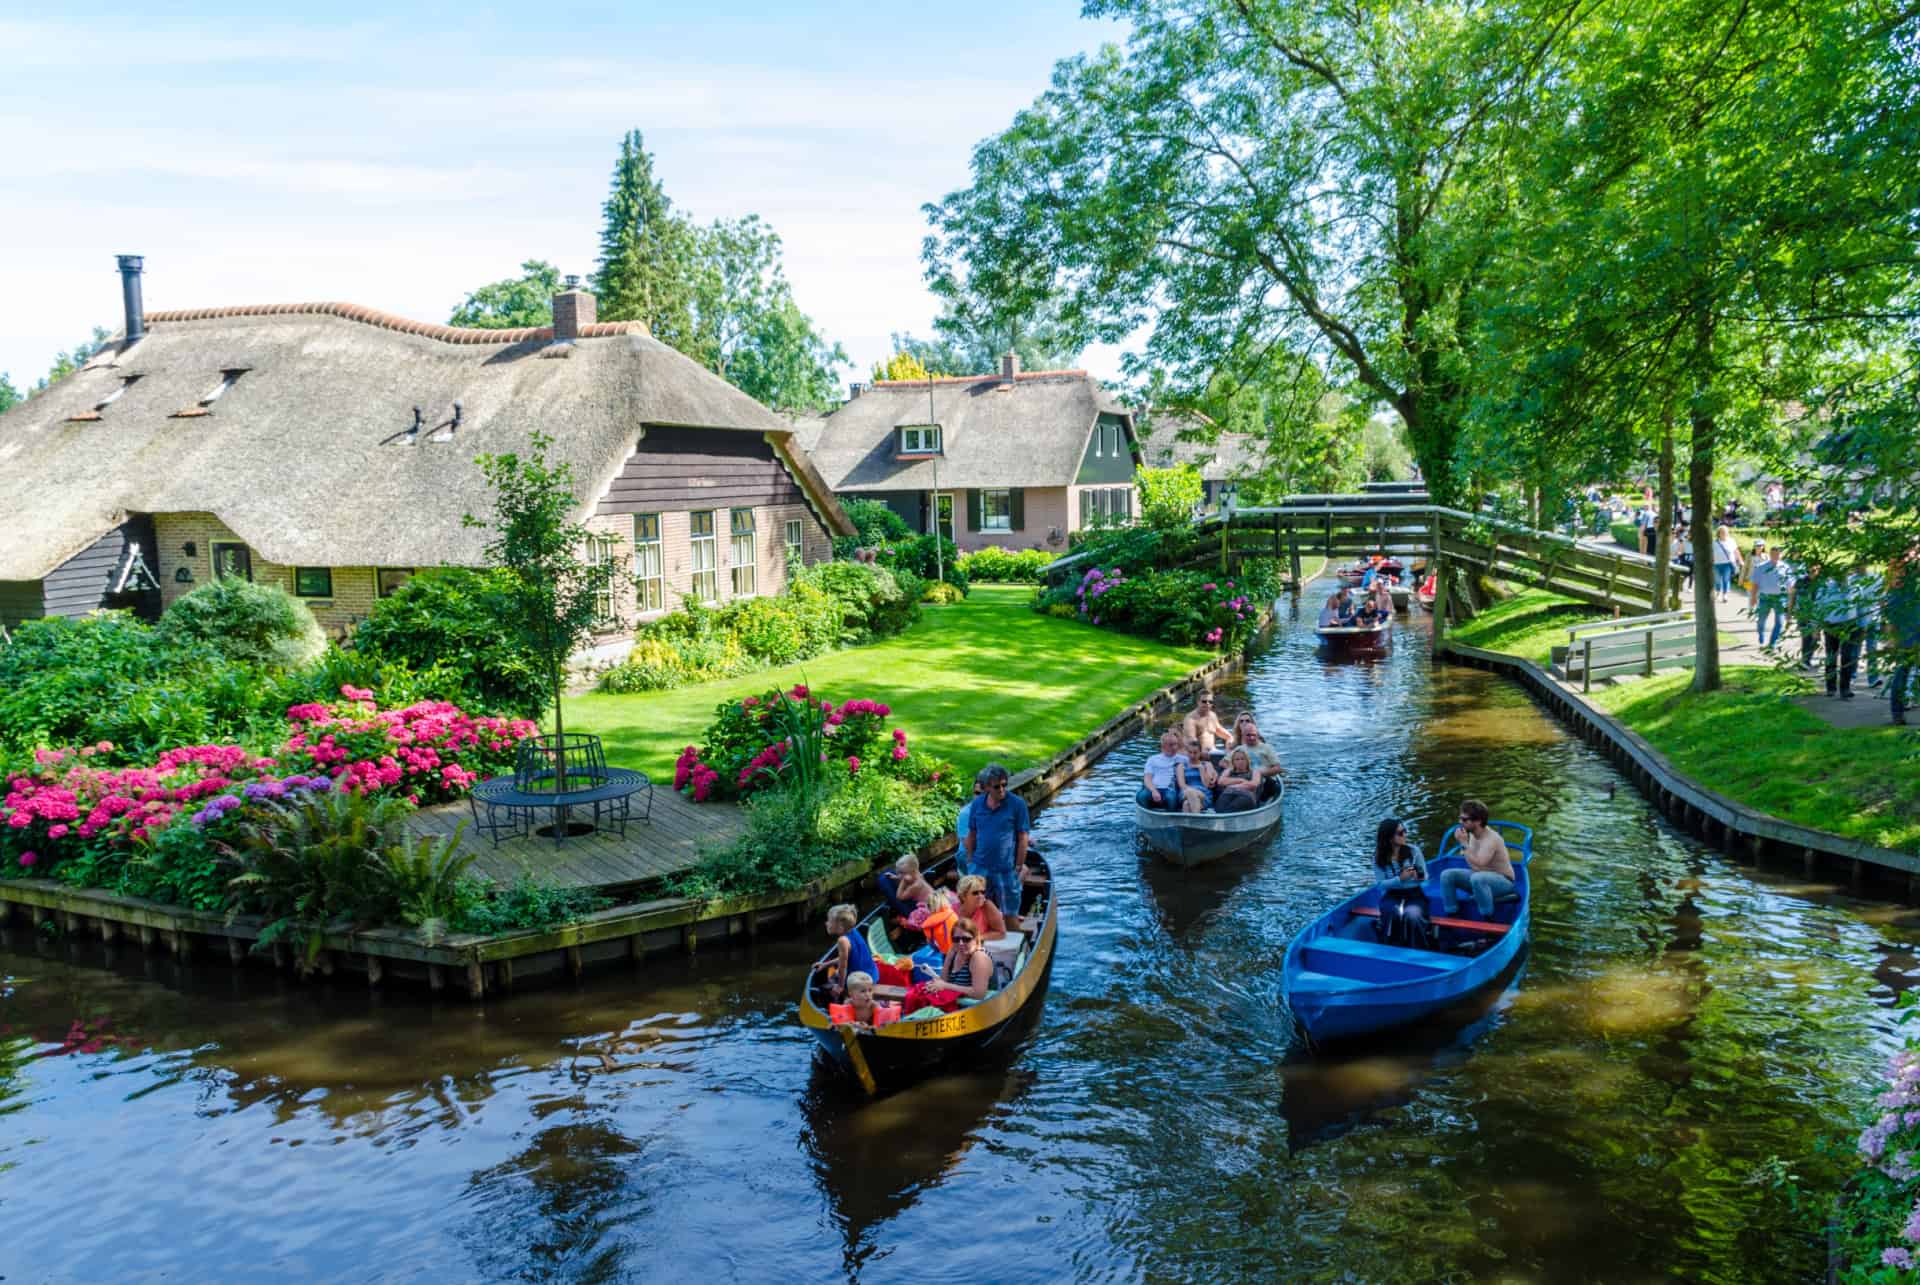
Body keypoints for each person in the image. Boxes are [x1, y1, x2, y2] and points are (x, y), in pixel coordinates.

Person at [962, 762, 1030, 917]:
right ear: (986, 787)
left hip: (1005, 869)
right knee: (976, 911)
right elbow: (972, 833)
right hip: (980, 867)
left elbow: (1023, 836)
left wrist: (1019, 865)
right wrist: (970, 859)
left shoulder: (1017, 804)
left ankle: (1010, 937)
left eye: (1004, 785)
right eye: (997, 786)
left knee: (1010, 913)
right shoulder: (977, 804)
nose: (1002, 790)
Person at [1440, 799, 1516, 919]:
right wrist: (1465, 846)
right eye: (1460, 818)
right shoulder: (1473, 834)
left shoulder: (1491, 839)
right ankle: (1452, 916)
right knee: (1447, 875)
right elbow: (1474, 865)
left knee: (1477, 878)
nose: (1460, 822)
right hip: (1481, 877)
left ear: (1478, 821)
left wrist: (1464, 844)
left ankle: (1488, 919)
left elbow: (1479, 864)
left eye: (1464, 820)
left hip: (1504, 882)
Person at [815, 903, 876, 1000]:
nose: (826, 923)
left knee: (824, 989)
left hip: (860, 981)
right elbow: (845, 958)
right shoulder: (854, 931)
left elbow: (843, 966)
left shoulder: (842, 941)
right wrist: (826, 964)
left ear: (840, 927)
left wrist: (840, 987)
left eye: (829, 921)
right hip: (872, 974)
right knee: (834, 975)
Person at [1748, 542, 1794, 649]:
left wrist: (1790, 603)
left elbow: (1790, 586)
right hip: (1765, 597)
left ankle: (1772, 643)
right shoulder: (1761, 567)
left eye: (1778, 554)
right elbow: (1755, 584)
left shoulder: (1785, 567)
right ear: (1770, 554)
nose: (1776, 556)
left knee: (1780, 622)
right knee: (1761, 620)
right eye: (1773, 554)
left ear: (1781, 555)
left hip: (1780, 598)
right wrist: (1753, 597)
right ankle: (1761, 633)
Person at [1138, 729, 1194, 812]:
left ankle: (1172, 819)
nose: (1175, 747)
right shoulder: (1152, 759)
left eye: (1176, 744)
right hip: (1153, 788)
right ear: (1163, 746)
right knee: (1142, 796)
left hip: (1170, 789)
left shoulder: (1183, 759)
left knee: (1171, 798)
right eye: (1171, 745)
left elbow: (1198, 760)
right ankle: (1148, 815)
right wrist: (1154, 790)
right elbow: (1147, 778)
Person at [1232, 717, 1285, 798]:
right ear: (1243, 735)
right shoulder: (1239, 749)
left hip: (1265, 779)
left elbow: (1277, 768)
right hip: (1244, 778)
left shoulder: (1267, 748)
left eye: (1253, 734)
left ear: (1257, 734)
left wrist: (1259, 774)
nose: (1251, 737)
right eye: (1248, 735)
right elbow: (1223, 763)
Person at [1371, 817, 1428, 886]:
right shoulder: (1378, 858)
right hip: (1392, 893)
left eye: (1404, 831)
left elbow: (1425, 875)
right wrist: (1400, 878)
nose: (1404, 835)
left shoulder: (1414, 850)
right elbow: (1380, 884)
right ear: (1389, 838)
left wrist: (1420, 876)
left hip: (1414, 890)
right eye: (1400, 833)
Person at [954, 875, 1008, 942]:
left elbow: (1002, 933)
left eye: (983, 892)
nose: (981, 896)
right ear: (963, 896)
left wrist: (975, 938)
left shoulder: (987, 906)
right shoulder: (952, 910)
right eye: (975, 893)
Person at [1181, 691, 1236, 756]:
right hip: (1197, 756)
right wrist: (1201, 751)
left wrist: (1229, 742)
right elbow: (1192, 741)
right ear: (1198, 702)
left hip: (1213, 752)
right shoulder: (1190, 719)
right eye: (1204, 701)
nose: (1207, 703)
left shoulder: (1212, 715)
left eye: (1210, 702)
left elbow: (1221, 731)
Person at [953, 775, 987, 876]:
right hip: (970, 857)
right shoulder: (966, 814)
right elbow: (970, 846)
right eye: (977, 793)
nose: (980, 797)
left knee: (1023, 869)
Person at [1213, 747, 1261, 812]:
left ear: (1247, 761)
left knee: (1233, 807)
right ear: (1233, 762)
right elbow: (1221, 782)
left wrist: (1231, 786)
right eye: (1237, 759)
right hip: (1228, 794)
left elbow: (1253, 784)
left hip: (1246, 795)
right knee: (1219, 808)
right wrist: (1241, 780)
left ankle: (1226, 817)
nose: (1240, 761)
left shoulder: (1254, 772)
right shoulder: (1229, 770)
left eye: (1243, 759)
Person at [1183, 736, 1220, 810]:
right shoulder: (1182, 766)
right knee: (1190, 793)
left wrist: (1201, 769)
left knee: (1186, 805)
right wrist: (1192, 791)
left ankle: (1189, 821)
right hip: (1185, 793)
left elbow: (1206, 785)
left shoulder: (1207, 764)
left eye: (1195, 753)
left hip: (1203, 794)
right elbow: (1182, 785)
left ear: (1200, 752)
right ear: (1187, 752)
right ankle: (1196, 818)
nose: (1192, 755)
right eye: (1190, 752)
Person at [1710, 525, 1741, 602]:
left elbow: (1736, 551)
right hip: (1716, 564)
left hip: (1728, 563)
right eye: (1722, 532)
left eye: (1725, 532)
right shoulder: (1714, 542)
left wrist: (1740, 560)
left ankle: (1725, 595)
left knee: (1726, 579)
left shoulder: (1731, 541)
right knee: (1717, 579)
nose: (1724, 533)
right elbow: (1710, 553)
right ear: (1718, 533)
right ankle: (1717, 591)